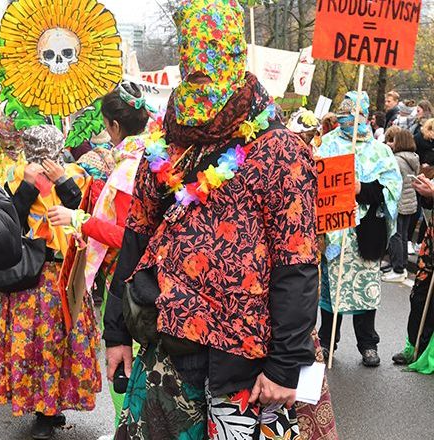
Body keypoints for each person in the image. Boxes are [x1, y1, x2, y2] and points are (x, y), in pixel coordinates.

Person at [104, 1, 338, 439]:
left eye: (213, 70)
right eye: (194, 71)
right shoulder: (164, 147)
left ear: (236, 60)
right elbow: (135, 237)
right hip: (170, 352)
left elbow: (298, 263)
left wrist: (286, 366)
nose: (202, 84)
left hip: (251, 366)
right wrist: (115, 330)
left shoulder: (279, 150)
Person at [48, 82, 150, 431]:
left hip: (128, 281)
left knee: (123, 359)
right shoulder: (149, 157)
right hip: (144, 278)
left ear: (114, 127)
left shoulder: (127, 171)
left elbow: (128, 236)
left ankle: (128, 428)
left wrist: (79, 220)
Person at [0, 125, 101, 440]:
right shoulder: (15, 176)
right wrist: (27, 185)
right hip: (32, 275)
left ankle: (53, 405)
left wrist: (63, 182)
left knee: (63, 343)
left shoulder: (77, 175)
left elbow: (87, 212)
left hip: (67, 271)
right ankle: (41, 407)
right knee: (35, 345)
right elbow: (7, 225)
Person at [318, 91, 401, 367]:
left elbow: (392, 187)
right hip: (335, 232)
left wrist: (361, 189)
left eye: (353, 119)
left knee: (365, 291)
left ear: (365, 117)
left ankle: (368, 344)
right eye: (343, 120)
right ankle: (328, 342)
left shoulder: (381, 151)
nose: (348, 125)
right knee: (332, 292)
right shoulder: (327, 146)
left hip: (366, 232)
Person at [392, 174, 434, 374]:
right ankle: (415, 347)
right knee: (418, 297)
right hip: (431, 249)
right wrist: (427, 195)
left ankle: (427, 351)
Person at [382, 129, 419, 283]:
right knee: (403, 235)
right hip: (410, 200)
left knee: (395, 235)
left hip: (398, 201)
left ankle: (397, 268)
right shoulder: (414, 158)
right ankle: (402, 265)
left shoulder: (397, 160)